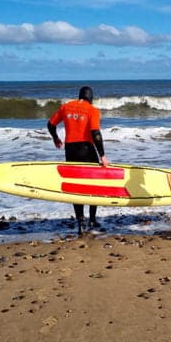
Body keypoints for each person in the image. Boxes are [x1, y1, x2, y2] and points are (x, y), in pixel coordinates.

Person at [47, 86, 109, 235]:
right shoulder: (92, 110)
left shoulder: (66, 107)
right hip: (86, 149)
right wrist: (102, 155)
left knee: (76, 187)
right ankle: (92, 220)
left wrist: (56, 138)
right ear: (91, 98)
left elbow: (50, 124)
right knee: (94, 184)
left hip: (70, 150)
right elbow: (95, 133)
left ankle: (80, 223)